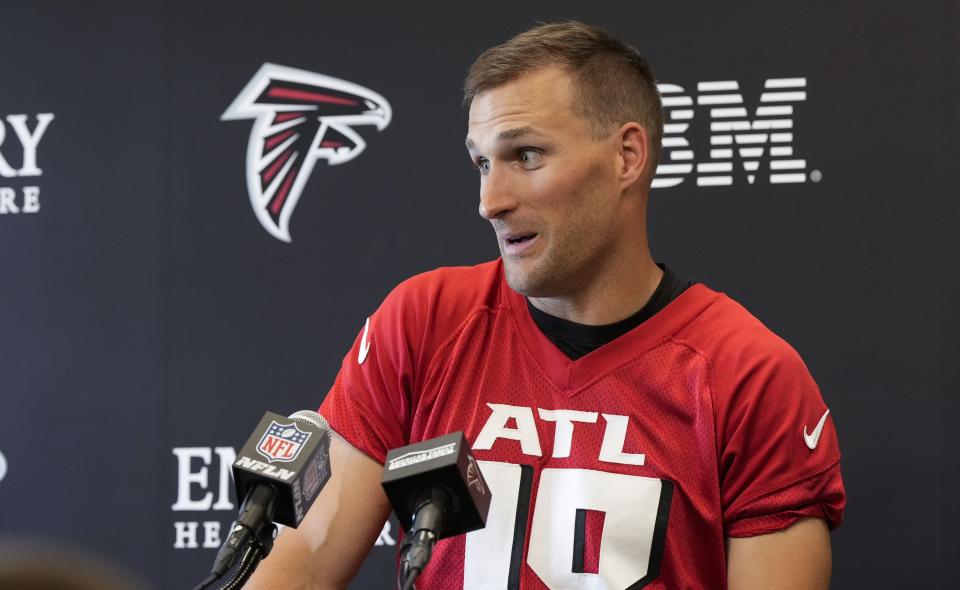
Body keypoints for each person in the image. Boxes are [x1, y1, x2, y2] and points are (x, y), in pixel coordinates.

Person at [246, 21, 845, 589]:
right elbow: (303, 568)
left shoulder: (750, 376)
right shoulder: (424, 321)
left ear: (627, 157)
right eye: (481, 162)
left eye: (525, 156)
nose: (490, 201)